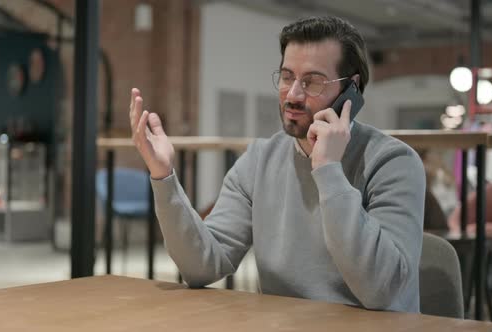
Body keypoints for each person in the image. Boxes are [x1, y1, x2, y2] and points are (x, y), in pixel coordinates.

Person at [129, 16, 425, 312]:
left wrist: (329, 170)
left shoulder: (393, 163)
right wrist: (163, 175)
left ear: (352, 89)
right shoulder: (259, 160)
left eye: (312, 82)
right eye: (287, 77)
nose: (293, 94)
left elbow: (381, 292)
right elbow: (204, 266)